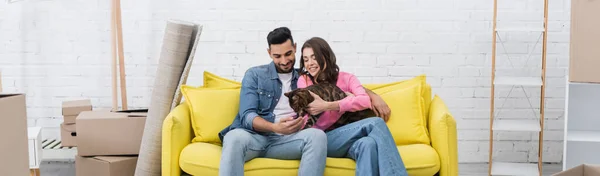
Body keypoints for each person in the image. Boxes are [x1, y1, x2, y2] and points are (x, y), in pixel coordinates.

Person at [217, 27, 326, 176]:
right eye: (277, 56)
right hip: (254, 139)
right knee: (233, 137)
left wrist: (368, 94)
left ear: (295, 48)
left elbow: (337, 80)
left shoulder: (305, 76)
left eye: (288, 54)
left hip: (288, 141)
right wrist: (275, 127)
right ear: (269, 53)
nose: (284, 61)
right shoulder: (255, 75)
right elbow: (247, 116)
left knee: (317, 136)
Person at [297, 37, 409, 176]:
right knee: (375, 123)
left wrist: (330, 105)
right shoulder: (304, 81)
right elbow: (314, 113)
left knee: (368, 144)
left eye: (314, 57)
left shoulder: (347, 78)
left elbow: (364, 101)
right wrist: (347, 100)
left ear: (325, 56)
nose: (310, 63)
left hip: (348, 137)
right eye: (306, 59)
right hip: (322, 139)